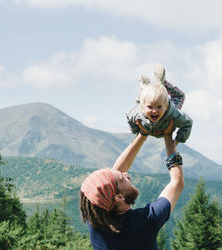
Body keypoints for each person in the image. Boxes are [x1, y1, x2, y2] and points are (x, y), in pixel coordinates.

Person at [80, 120, 184, 250]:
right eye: (123, 179)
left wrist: (142, 134)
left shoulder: (97, 217)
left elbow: (113, 178)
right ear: (119, 197)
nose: (126, 174)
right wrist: (168, 137)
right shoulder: (146, 221)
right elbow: (177, 182)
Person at [127, 65, 193, 147]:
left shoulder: (173, 114)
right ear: (144, 108)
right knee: (140, 102)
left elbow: (188, 123)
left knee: (179, 97)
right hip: (145, 107)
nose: (154, 111)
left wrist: (178, 140)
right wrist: (136, 131)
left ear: (165, 106)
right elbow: (128, 116)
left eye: (159, 107)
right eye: (150, 107)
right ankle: (147, 87)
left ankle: (160, 85)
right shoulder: (138, 114)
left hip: (167, 110)